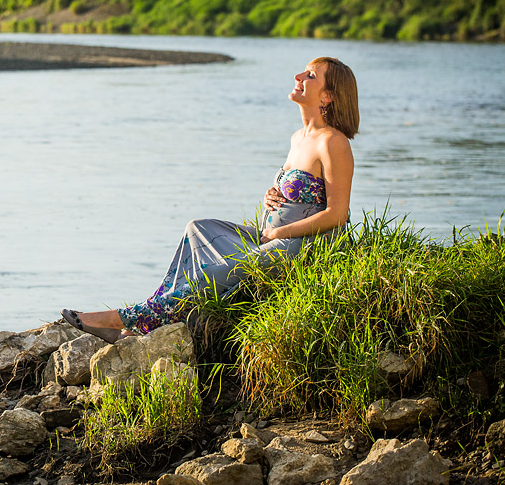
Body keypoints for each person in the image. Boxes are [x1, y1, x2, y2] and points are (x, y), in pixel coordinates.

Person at [62, 56, 359, 344]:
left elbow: (337, 214)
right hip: (270, 239)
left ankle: (119, 320)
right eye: (303, 72)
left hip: (302, 248)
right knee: (197, 228)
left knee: (209, 278)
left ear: (328, 96)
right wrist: (271, 194)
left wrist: (280, 232)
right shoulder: (298, 137)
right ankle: (151, 311)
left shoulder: (334, 142)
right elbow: (300, 190)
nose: (298, 77)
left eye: (310, 76)